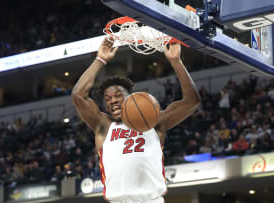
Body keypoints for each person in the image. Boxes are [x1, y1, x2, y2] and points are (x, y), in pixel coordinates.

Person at [72, 38, 200, 203]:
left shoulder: (154, 121)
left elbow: (192, 101)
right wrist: (100, 60)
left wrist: (176, 62)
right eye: (108, 98)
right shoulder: (103, 125)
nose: (113, 100)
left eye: (118, 95)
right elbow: (78, 95)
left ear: (130, 98)